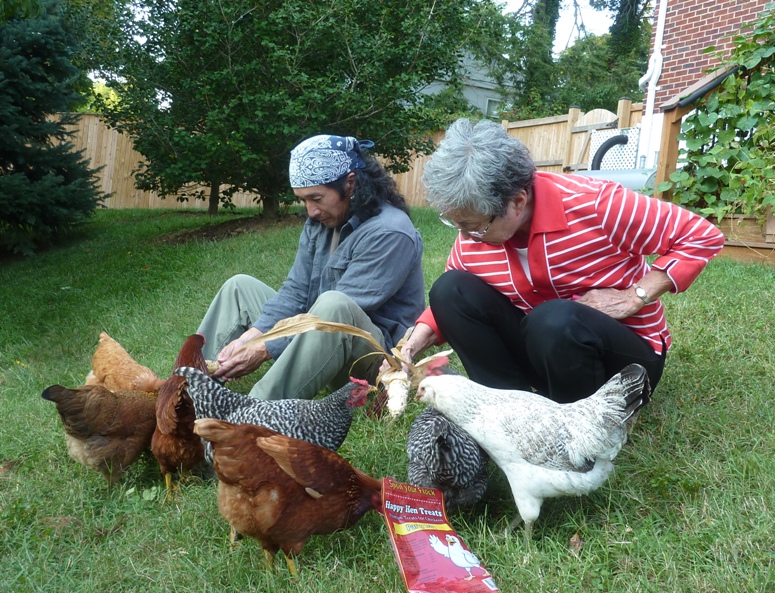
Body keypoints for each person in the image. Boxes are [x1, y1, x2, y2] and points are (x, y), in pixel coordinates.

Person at [395, 118, 725, 403]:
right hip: (545, 352)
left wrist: (634, 296)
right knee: (449, 289)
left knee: (552, 319)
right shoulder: (478, 230)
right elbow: (453, 299)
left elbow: (700, 236)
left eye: (474, 226)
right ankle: (508, 408)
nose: (466, 238)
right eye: (458, 225)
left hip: (626, 363)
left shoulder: (596, 204)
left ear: (518, 201)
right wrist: (411, 345)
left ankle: (577, 424)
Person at [198, 134, 425, 400]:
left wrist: (263, 348)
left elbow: (336, 317)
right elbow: (295, 291)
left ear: (350, 184)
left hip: (372, 363)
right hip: (317, 333)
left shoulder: (390, 232)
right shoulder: (321, 222)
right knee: (239, 287)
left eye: (316, 198)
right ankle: (189, 390)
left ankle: (253, 417)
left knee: (334, 304)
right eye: (303, 199)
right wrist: (253, 336)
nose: (311, 211)